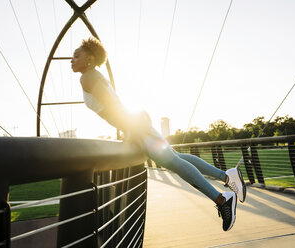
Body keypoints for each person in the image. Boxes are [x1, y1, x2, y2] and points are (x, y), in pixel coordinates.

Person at [71, 37, 246, 231]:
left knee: (173, 162)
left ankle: (222, 199)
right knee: (175, 158)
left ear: (90, 59)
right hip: (135, 121)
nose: (72, 60)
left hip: (134, 124)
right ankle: (227, 177)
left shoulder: (87, 77)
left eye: (77, 56)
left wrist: (131, 130)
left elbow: (113, 106)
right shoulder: (93, 75)